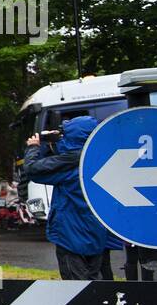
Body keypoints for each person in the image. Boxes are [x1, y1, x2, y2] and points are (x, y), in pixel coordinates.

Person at [22, 117, 111, 280]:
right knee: (95, 283)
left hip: (71, 234)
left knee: (75, 288)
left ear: (73, 137)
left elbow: (33, 169)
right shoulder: (100, 158)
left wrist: (34, 147)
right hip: (97, 233)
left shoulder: (69, 163)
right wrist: (55, 143)